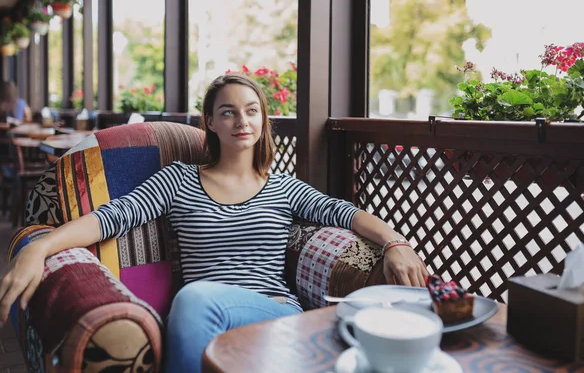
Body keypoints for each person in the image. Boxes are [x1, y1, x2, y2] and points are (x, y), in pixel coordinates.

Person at [0, 73, 429, 372]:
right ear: (210, 122)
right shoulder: (179, 180)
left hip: (274, 315)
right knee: (195, 301)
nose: (241, 121)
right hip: (203, 319)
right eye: (227, 112)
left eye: (251, 111)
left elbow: (346, 212)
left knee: (193, 299)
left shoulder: (283, 187)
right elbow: (111, 218)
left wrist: (396, 243)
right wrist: (39, 246)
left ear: (263, 120)